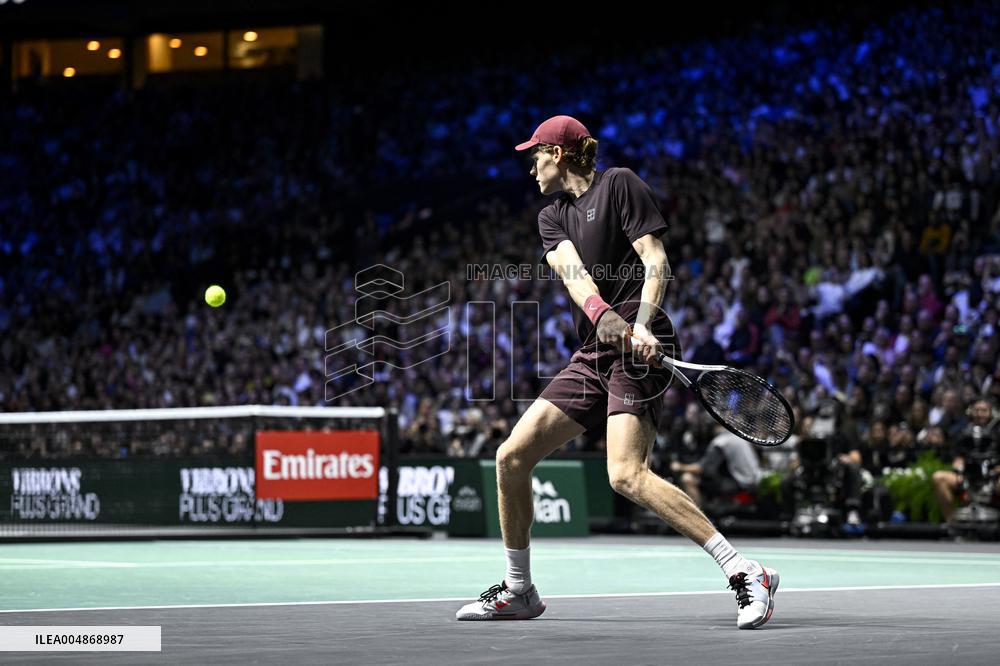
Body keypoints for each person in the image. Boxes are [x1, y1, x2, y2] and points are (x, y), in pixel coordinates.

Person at [455, 116, 779, 629]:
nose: (530, 166)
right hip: (597, 345)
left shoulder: (619, 184)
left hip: (642, 343)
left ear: (558, 154)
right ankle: (519, 590)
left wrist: (644, 322)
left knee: (625, 474)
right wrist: (604, 316)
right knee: (511, 457)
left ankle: (744, 570)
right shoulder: (551, 217)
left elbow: (656, 260)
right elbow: (572, 274)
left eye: (534, 155)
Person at [671, 426, 763, 508]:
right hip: (754, 479)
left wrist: (680, 467)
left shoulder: (721, 441)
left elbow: (702, 468)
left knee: (687, 478)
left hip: (740, 484)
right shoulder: (738, 436)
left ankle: (700, 516)